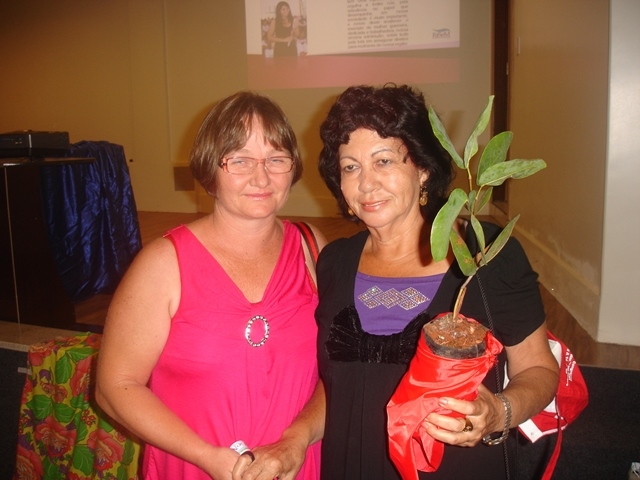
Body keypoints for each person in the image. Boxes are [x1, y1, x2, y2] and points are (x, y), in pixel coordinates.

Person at [315, 84, 559, 480]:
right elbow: (331, 385)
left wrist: (498, 412)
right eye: (350, 167)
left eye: (383, 161)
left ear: (423, 169)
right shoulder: (334, 263)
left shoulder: (484, 255)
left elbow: (539, 369)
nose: (366, 184)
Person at [96, 91, 326, 480]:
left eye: (276, 159)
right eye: (239, 160)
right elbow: (115, 387)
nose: (261, 177)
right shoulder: (163, 264)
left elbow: (338, 371)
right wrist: (206, 457)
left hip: (297, 467)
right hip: (194, 469)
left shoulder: (312, 248)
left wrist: (297, 439)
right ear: (210, 168)